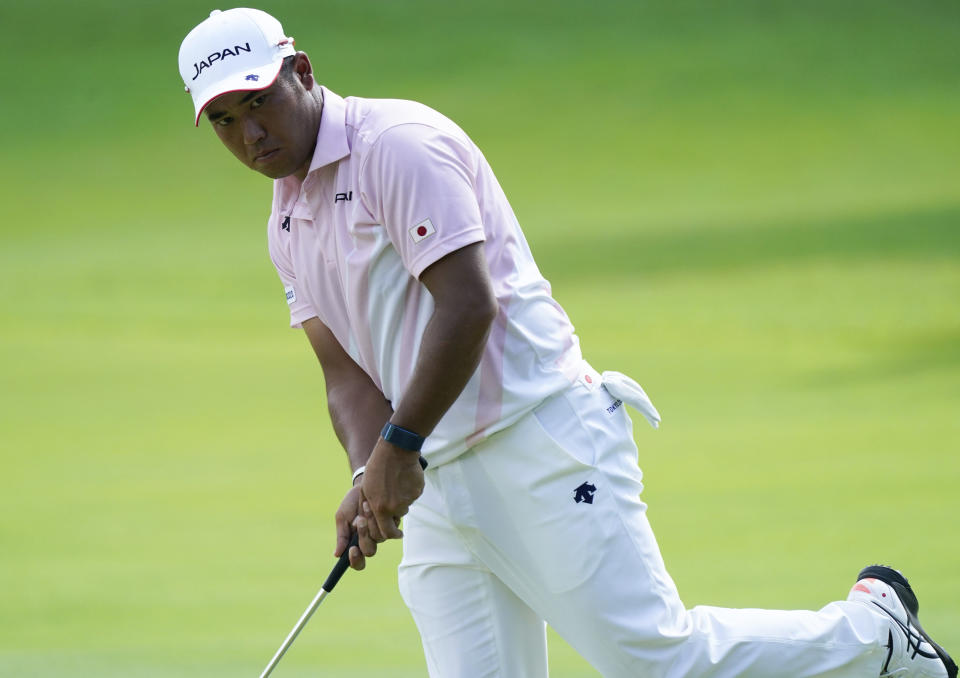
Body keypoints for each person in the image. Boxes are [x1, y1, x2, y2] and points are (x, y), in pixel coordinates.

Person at [178, 9, 956, 678]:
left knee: (652, 659)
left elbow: (467, 306)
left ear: (301, 71)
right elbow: (342, 370)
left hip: (538, 439)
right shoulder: (286, 220)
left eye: (258, 103)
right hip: (438, 479)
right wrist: (367, 465)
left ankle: (875, 637)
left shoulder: (396, 146)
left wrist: (397, 449)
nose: (248, 134)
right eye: (223, 121)